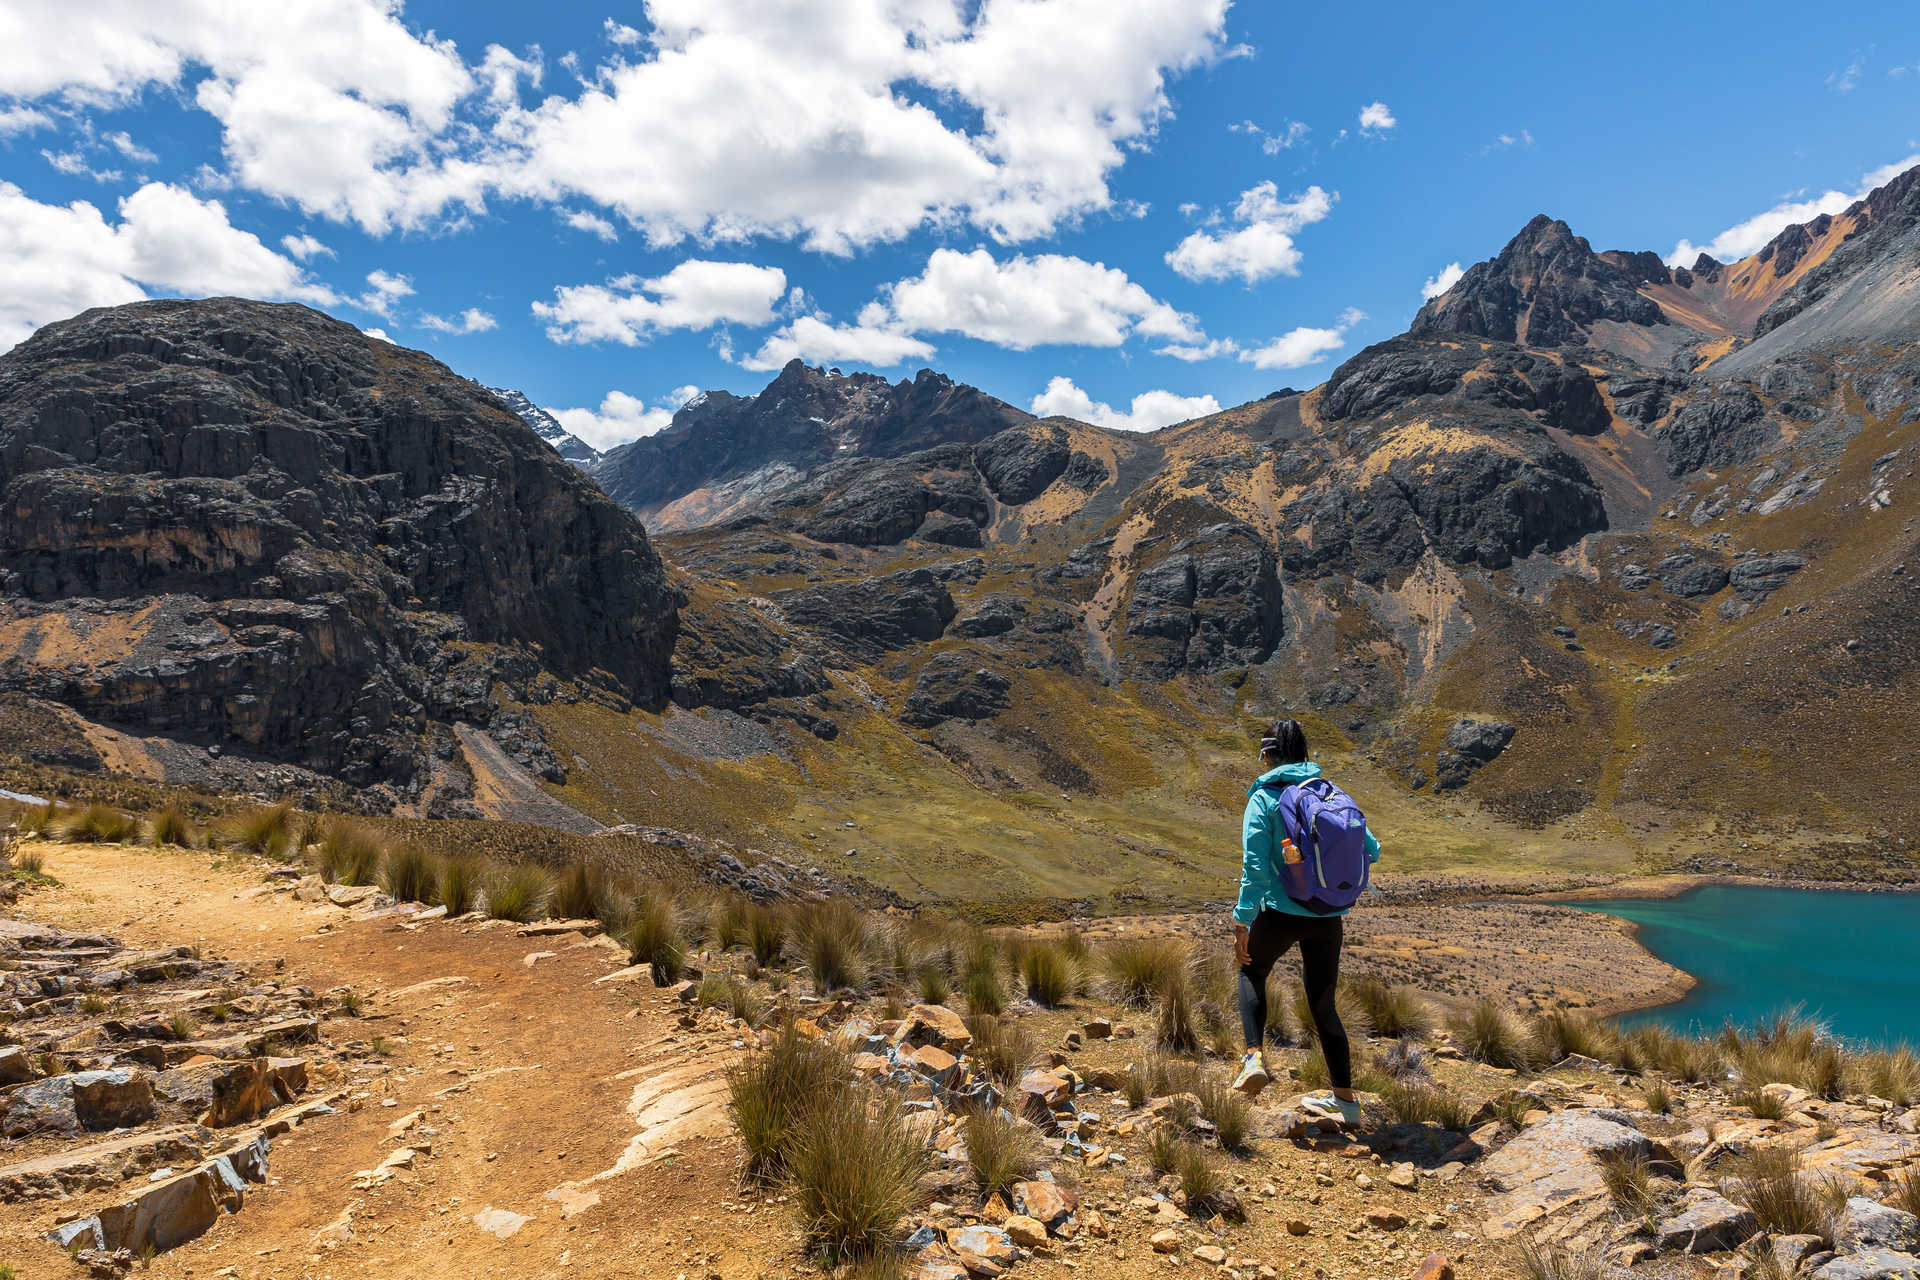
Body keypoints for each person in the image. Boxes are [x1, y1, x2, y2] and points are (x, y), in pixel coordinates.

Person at [1228, 718, 1380, 1122]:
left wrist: (1242, 922)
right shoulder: (1328, 792)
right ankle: (1346, 1102)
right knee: (1323, 1004)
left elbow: (1255, 866)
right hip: (1329, 915)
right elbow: (1373, 848)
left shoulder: (1264, 797)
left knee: (1251, 971)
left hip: (1280, 911)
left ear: (1266, 755)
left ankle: (1253, 1058)